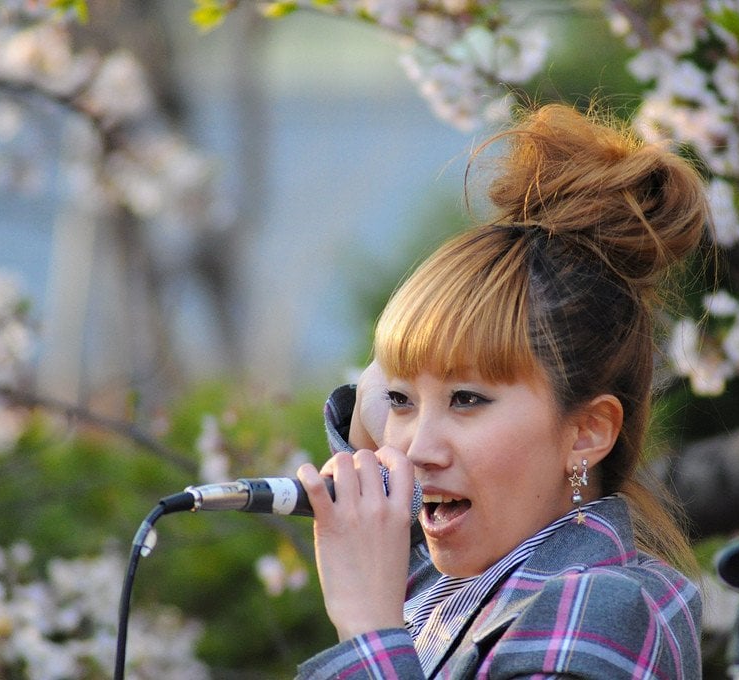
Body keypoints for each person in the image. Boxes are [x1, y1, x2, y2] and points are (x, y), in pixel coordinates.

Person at [295, 102, 709, 679]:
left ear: (587, 432)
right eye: (402, 401)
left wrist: (367, 627)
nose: (416, 448)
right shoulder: (456, 590)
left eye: (468, 399)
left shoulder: (599, 606)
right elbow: (370, 415)